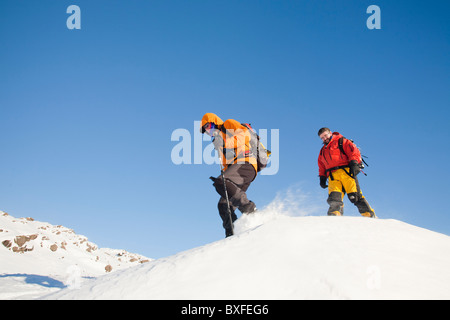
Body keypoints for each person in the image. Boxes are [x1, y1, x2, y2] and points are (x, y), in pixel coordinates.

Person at [200, 113, 258, 237]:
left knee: (221, 181)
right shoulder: (219, 140)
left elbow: (245, 136)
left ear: (214, 122)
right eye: (206, 131)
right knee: (223, 205)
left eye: (208, 126)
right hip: (238, 170)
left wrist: (224, 143)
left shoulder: (228, 124)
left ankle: (249, 208)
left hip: (246, 163)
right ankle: (232, 234)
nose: (209, 131)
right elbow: (227, 164)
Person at [317, 127, 376, 218]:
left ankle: (369, 215)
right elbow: (321, 165)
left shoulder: (341, 141)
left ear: (330, 133)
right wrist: (322, 177)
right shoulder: (322, 151)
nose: (324, 138)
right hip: (333, 176)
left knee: (354, 196)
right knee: (334, 197)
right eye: (322, 138)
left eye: (325, 135)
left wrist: (354, 162)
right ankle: (334, 215)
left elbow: (353, 151)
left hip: (346, 173)